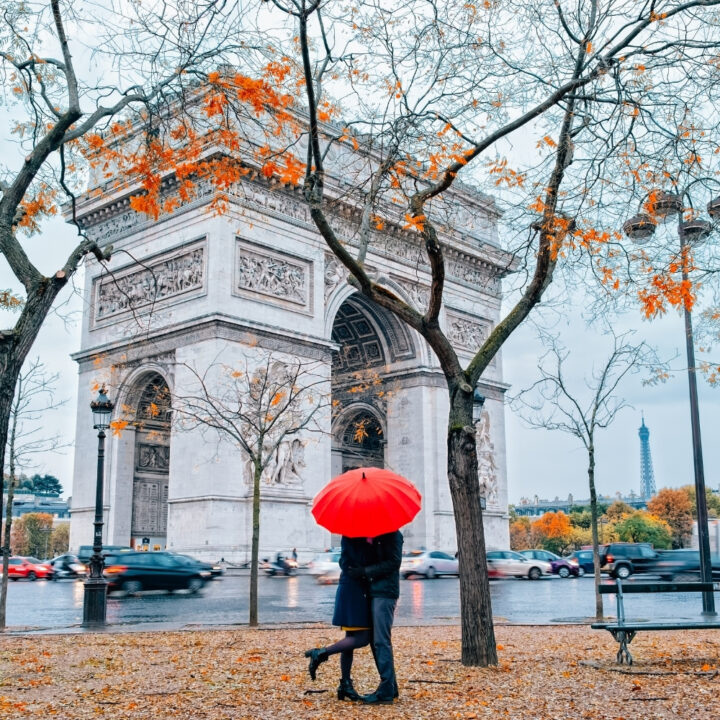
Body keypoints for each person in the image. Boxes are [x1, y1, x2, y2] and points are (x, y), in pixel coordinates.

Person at [304, 536, 373, 702]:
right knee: (363, 638)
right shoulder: (356, 536)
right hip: (354, 590)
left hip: (350, 588)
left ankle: (345, 685)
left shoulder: (350, 534)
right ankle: (320, 653)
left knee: (350, 639)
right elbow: (358, 561)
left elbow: (346, 561)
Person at [347, 530, 403, 705]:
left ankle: (386, 690)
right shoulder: (379, 535)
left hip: (385, 592)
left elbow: (394, 562)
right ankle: (390, 687)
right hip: (376, 590)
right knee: (375, 641)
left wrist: (365, 571)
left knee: (381, 641)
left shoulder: (393, 535)